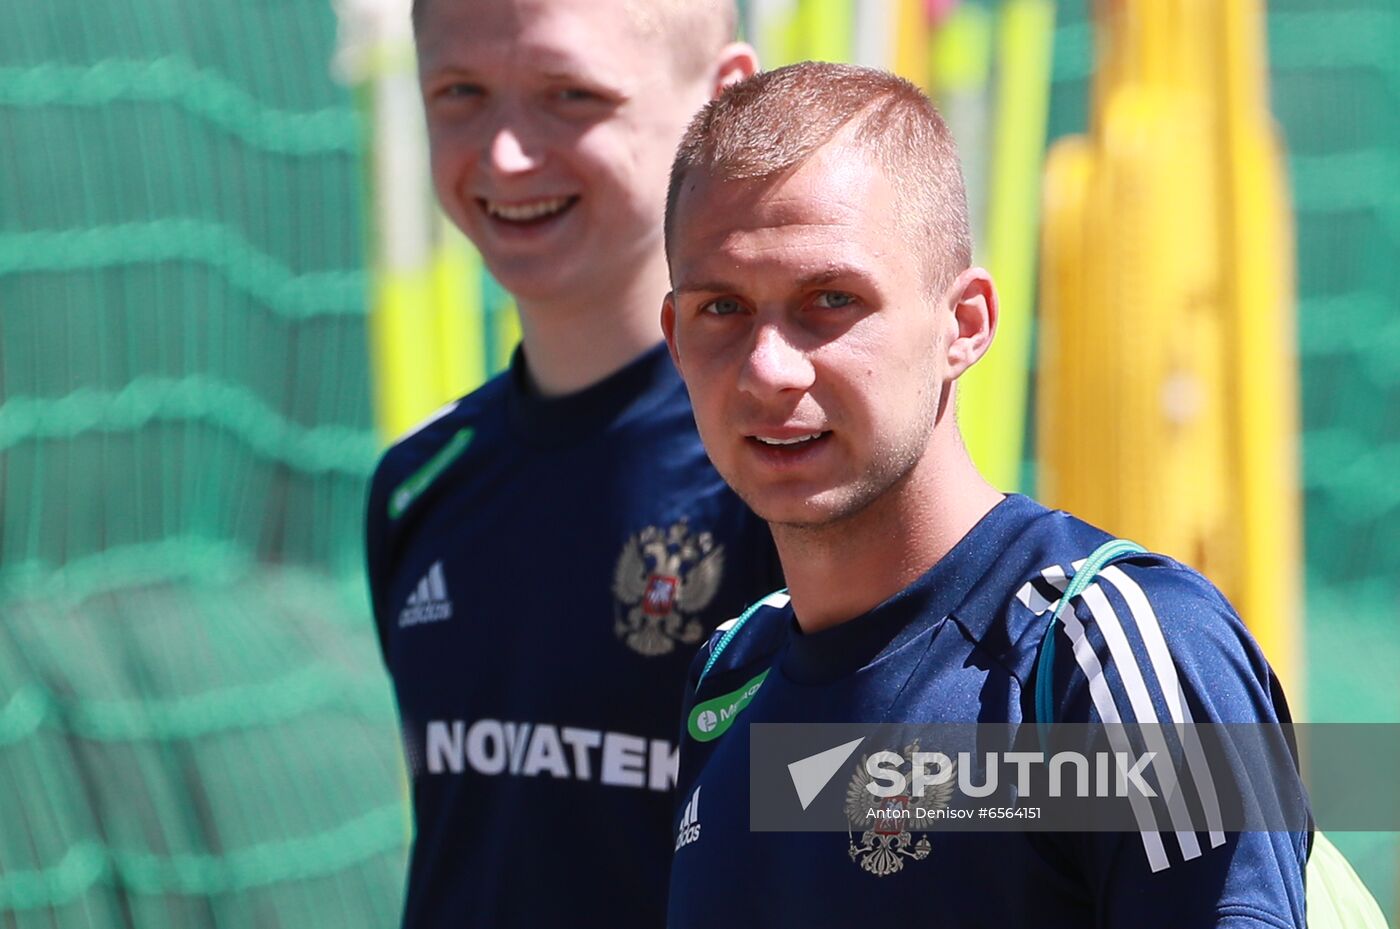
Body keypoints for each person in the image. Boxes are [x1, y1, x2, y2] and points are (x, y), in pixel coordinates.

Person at [660, 61, 1308, 927]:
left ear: (963, 325)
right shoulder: (733, 670)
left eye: (831, 299)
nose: (770, 368)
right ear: (673, 334)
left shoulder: (1117, 647)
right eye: (722, 309)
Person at [363, 2, 774, 926]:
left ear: (721, 103)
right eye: (459, 92)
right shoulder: (418, 486)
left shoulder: (789, 476)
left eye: (571, 95)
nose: (506, 154)